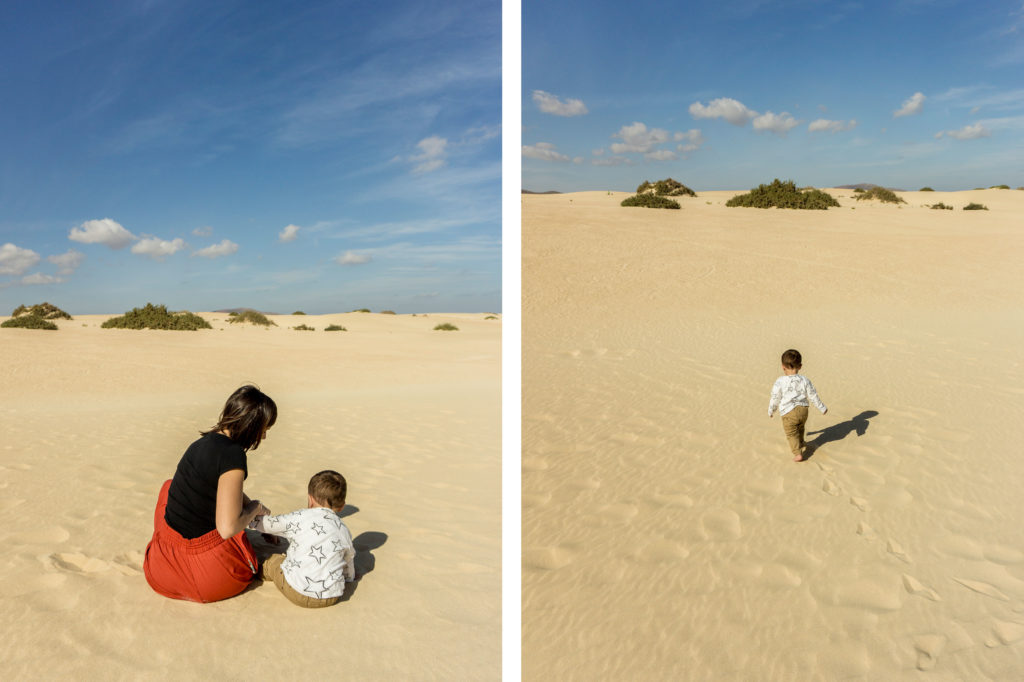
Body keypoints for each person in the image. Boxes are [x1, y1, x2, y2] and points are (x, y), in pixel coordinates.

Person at [143, 385, 277, 602]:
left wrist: (255, 513)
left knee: (170, 487)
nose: (263, 436)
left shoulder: (201, 443)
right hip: (204, 577)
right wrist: (256, 507)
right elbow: (227, 528)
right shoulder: (233, 456)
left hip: (160, 565)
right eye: (264, 429)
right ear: (251, 426)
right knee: (236, 530)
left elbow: (219, 487)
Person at [250, 470, 356, 608]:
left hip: (297, 591)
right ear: (342, 506)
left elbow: (269, 524)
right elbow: (348, 558)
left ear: (310, 499)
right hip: (332, 596)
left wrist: (251, 519)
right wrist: (350, 577)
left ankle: (257, 573)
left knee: (273, 561)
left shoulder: (301, 517)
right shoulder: (344, 530)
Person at [768, 349, 827, 462]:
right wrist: (822, 407)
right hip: (803, 410)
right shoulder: (805, 380)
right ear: (800, 366)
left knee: (791, 433)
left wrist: (771, 410)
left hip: (788, 412)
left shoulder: (780, 381)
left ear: (783, 367)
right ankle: (801, 442)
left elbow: (775, 397)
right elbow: (813, 395)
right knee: (800, 426)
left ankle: (797, 452)